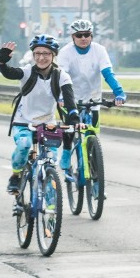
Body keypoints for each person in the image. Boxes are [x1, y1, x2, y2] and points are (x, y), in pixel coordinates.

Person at [0, 34, 79, 193]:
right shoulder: (27, 72)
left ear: (54, 55)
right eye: (38, 53)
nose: (41, 58)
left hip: (47, 124)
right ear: (33, 55)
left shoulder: (61, 75)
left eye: (46, 53)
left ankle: (50, 205)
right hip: (23, 122)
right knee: (24, 144)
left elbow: (69, 100)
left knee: (51, 160)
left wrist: (74, 120)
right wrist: (2, 62)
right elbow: (9, 73)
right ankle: (15, 176)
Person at [56, 19, 125, 172]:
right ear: (73, 37)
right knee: (69, 130)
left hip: (93, 98)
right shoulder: (66, 52)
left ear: (91, 35)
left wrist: (119, 92)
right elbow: (62, 76)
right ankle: (67, 151)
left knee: (91, 134)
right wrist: (61, 97)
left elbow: (108, 74)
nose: (83, 38)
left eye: (86, 34)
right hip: (70, 98)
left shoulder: (99, 50)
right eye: (79, 35)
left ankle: (95, 180)